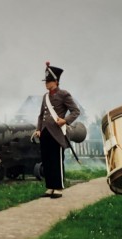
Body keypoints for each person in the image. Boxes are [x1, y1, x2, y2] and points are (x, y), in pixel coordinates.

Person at [35, 62, 80, 199]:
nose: (46, 84)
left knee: (56, 161)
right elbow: (41, 115)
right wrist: (38, 129)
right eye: (46, 81)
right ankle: (50, 187)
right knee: (47, 160)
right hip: (45, 132)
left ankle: (58, 187)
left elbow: (75, 111)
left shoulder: (64, 94)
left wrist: (65, 120)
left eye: (48, 81)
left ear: (55, 81)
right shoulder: (45, 97)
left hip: (57, 133)